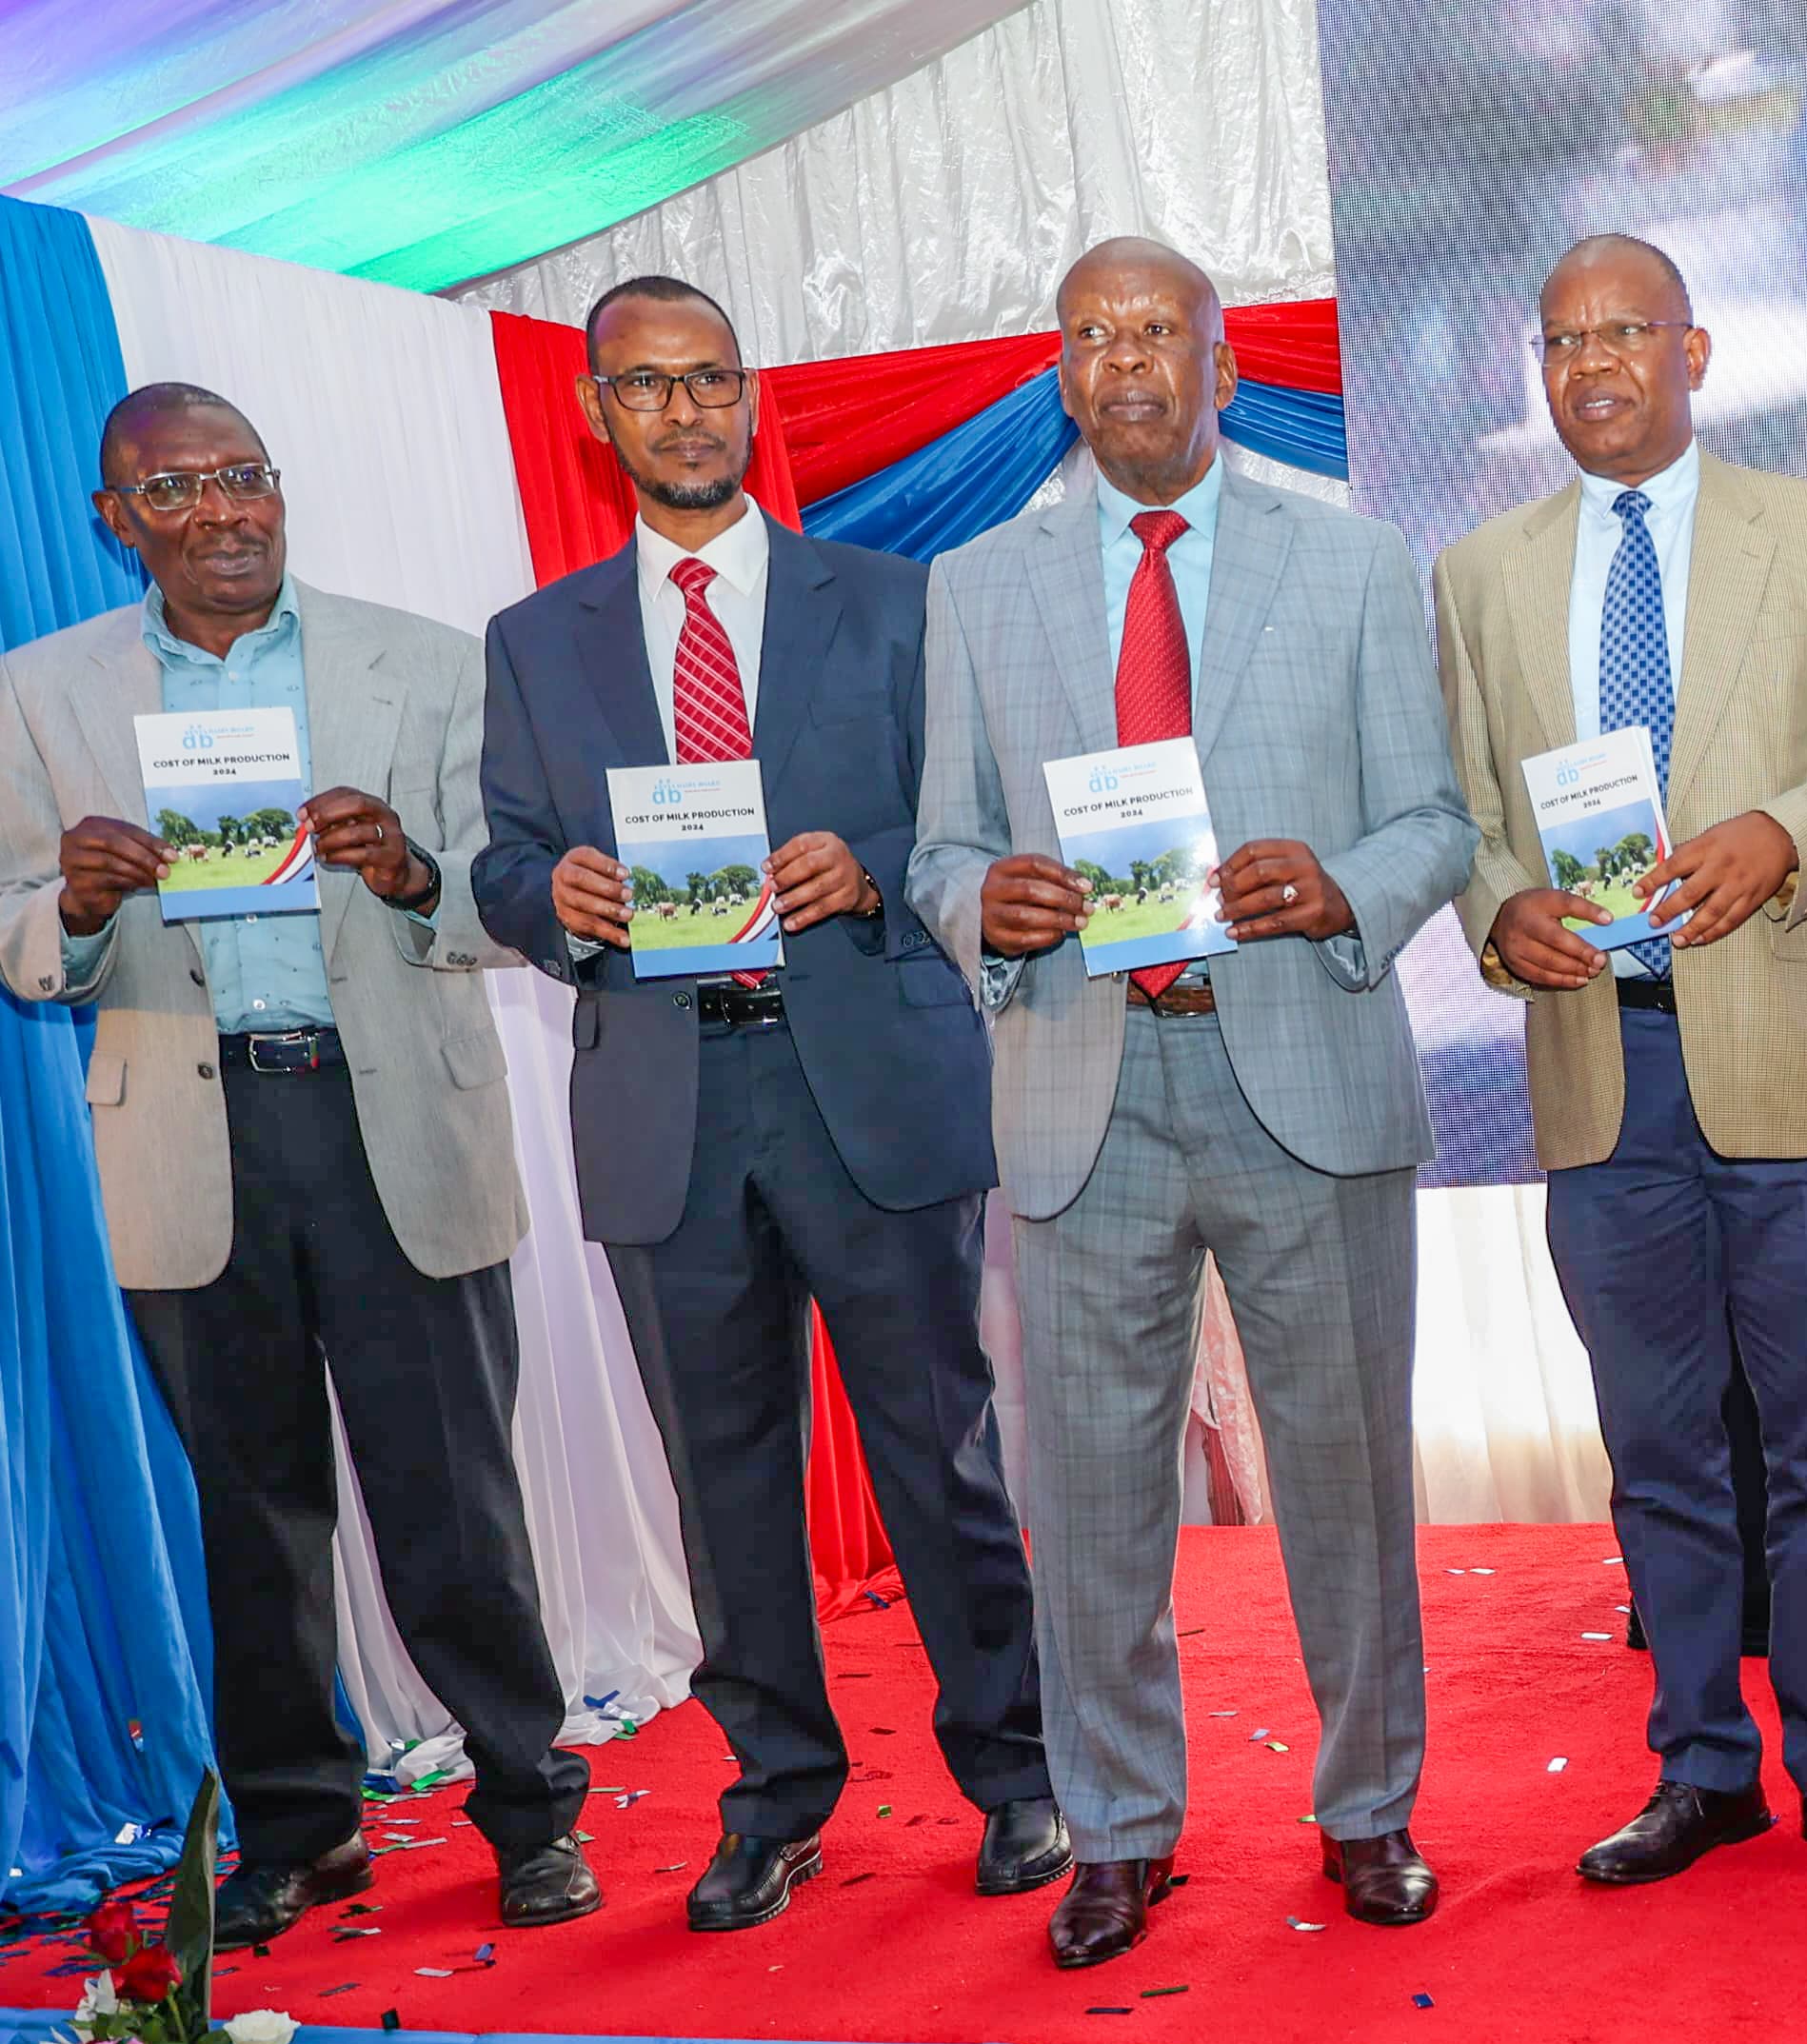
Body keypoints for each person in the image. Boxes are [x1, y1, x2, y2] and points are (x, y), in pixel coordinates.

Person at [909, 236, 1479, 1969]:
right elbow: (938, 842)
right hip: (1080, 1081)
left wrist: (1345, 886)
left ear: (1225, 366)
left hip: (1299, 1058)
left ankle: (1368, 1805)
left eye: (1158, 330)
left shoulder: (1359, 554)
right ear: (1059, 376)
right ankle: (1119, 1826)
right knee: (1084, 1489)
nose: (1125, 358)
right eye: (1091, 335)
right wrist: (976, 906)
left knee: (1344, 1470)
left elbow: (1439, 822)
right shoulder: (975, 584)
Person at [473, 276, 1066, 1934]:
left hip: (866, 1084)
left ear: (752, 398)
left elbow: (982, 816)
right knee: (723, 1487)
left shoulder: (892, 601)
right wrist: (557, 892)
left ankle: (1017, 1774)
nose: (683, 410)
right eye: (646, 386)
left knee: (936, 1449)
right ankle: (777, 1794)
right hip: (667, 1108)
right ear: (602, 416)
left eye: (710, 378)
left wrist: (865, 865)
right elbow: (502, 860)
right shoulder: (538, 641)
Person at [0, 385, 595, 1944]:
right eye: (176, 487)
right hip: (190, 1135)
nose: (223, 509)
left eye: (246, 475)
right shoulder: (39, 694)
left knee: (453, 1501)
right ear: (116, 521)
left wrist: (407, 870)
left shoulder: (424, 658)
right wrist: (65, 904)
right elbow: (14, 936)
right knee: (252, 1519)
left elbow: (505, 892)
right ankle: (303, 1829)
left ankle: (531, 1806)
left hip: (392, 1111)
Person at [1429, 235, 1807, 1887]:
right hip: (1598, 1068)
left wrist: (1781, 833)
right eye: (1561, 337)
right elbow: (1464, 818)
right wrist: (1504, 911)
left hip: (1791, 1049)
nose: (1592, 364)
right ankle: (1701, 1763)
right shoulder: (1482, 571)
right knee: (1657, 1451)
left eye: (1624, 332)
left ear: (1694, 349)